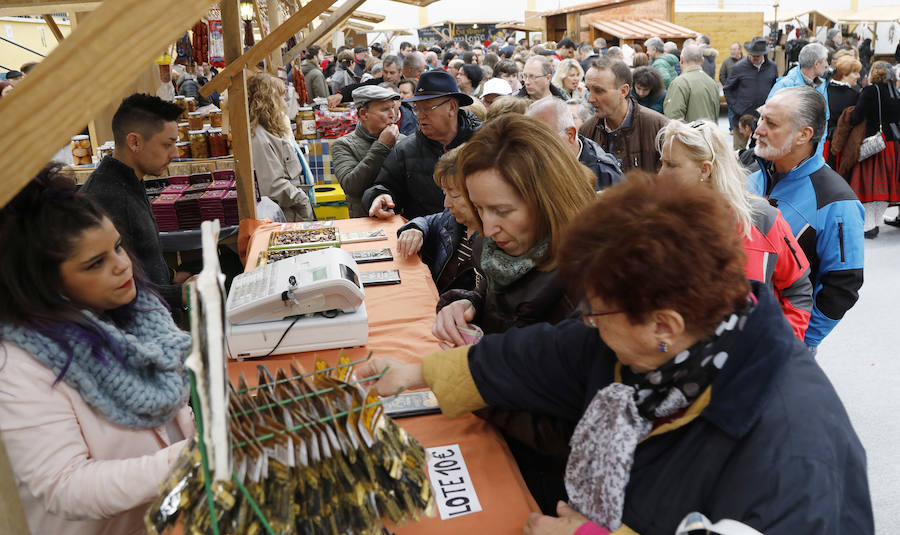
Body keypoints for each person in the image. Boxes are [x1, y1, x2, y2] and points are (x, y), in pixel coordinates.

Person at [358, 171, 874, 535]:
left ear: (663, 325)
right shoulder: (666, 342)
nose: (586, 324)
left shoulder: (796, 451)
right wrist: (417, 371)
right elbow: (540, 356)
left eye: (598, 313)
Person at [0, 165, 194, 535]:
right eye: (96, 263)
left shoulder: (136, 316)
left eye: (117, 246)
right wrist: (187, 458)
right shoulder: (17, 368)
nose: (122, 265)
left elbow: (168, 410)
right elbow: (66, 486)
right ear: (46, 285)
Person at [432, 114, 595, 346]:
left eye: (502, 211)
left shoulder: (592, 287)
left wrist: (483, 366)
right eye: (478, 208)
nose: (487, 229)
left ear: (549, 200)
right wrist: (470, 305)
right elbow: (503, 307)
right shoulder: (497, 251)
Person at [657, 119, 812, 339]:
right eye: (661, 163)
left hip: (752, 366)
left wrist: (782, 346)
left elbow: (798, 289)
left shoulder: (763, 220)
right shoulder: (656, 226)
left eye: (671, 165)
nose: (660, 175)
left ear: (705, 169)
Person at [748, 86, 864, 352]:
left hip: (786, 344)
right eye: (761, 118)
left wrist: (802, 340)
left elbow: (843, 286)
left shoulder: (836, 202)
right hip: (738, 334)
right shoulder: (751, 176)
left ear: (804, 135)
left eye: (771, 123)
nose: (758, 130)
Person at [81, 94, 190, 314]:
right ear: (135, 142)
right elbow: (108, 288)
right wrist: (181, 293)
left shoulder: (130, 181)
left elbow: (144, 260)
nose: (175, 153)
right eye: (168, 144)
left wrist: (175, 278)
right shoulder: (104, 199)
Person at [363, 70, 481, 220]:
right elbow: (384, 186)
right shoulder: (406, 149)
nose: (419, 115)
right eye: (417, 108)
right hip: (424, 238)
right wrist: (379, 196)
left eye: (427, 108)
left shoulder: (483, 144)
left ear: (452, 107)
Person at [396, 148, 481, 294]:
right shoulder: (453, 218)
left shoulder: (497, 240)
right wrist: (416, 229)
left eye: (454, 195)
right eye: (444, 193)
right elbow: (429, 221)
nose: (446, 204)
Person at [580, 57, 669, 174]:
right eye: (588, 90)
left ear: (623, 91)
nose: (589, 99)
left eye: (598, 91)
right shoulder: (586, 132)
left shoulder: (659, 128)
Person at [247, 72, 315, 222]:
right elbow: (272, 186)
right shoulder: (258, 136)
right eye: (281, 96)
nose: (285, 101)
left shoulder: (271, 127)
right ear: (269, 100)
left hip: (292, 208)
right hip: (288, 212)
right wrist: (301, 199)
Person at [330, 86, 402, 218]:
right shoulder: (344, 144)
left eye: (393, 108)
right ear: (363, 113)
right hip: (365, 219)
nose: (393, 115)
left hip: (400, 217)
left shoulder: (402, 140)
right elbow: (351, 186)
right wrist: (382, 146)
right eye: (385, 109)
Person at [526, 97, 623, 191]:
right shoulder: (528, 166)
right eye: (531, 140)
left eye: (544, 139)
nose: (536, 147)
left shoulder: (606, 176)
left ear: (570, 135)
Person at [848, 61, 900, 236]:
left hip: (875, 144)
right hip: (894, 145)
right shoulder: (896, 92)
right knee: (887, 186)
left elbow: (857, 117)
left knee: (869, 187)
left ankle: (870, 226)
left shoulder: (871, 91)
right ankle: (877, 221)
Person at [766, 43, 830, 155]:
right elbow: (768, 117)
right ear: (816, 63)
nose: (827, 65)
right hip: (789, 153)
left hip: (812, 153)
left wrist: (818, 151)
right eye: (825, 60)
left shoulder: (821, 85)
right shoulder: (785, 86)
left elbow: (824, 119)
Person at [723, 37, 778, 150]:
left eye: (757, 56)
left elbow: (775, 88)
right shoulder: (738, 67)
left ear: (763, 54)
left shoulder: (772, 67)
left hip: (762, 119)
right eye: (752, 55)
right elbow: (728, 88)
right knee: (739, 152)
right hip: (741, 118)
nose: (754, 58)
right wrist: (736, 108)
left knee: (759, 152)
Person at [662, 44, 720, 123]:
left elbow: (673, 118)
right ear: (702, 60)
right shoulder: (712, 83)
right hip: (709, 133)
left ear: (681, 60)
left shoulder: (679, 83)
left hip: (689, 134)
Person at [825, 55, 862, 169]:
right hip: (843, 146)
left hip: (824, 144)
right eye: (855, 73)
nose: (858, 76)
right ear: (845, 74)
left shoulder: (825, 90)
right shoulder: (854, 96)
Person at [719, 42, 744, 131]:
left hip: (744, 91)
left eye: (734, 49)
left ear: (740, 50)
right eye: (731, 49)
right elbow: (722, 75)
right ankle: (732, 128)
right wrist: (727, 86)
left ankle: (743, 128)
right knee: (731, 110)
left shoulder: (746, 61)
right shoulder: (726, 62)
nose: (732, 51)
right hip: (732, 91)